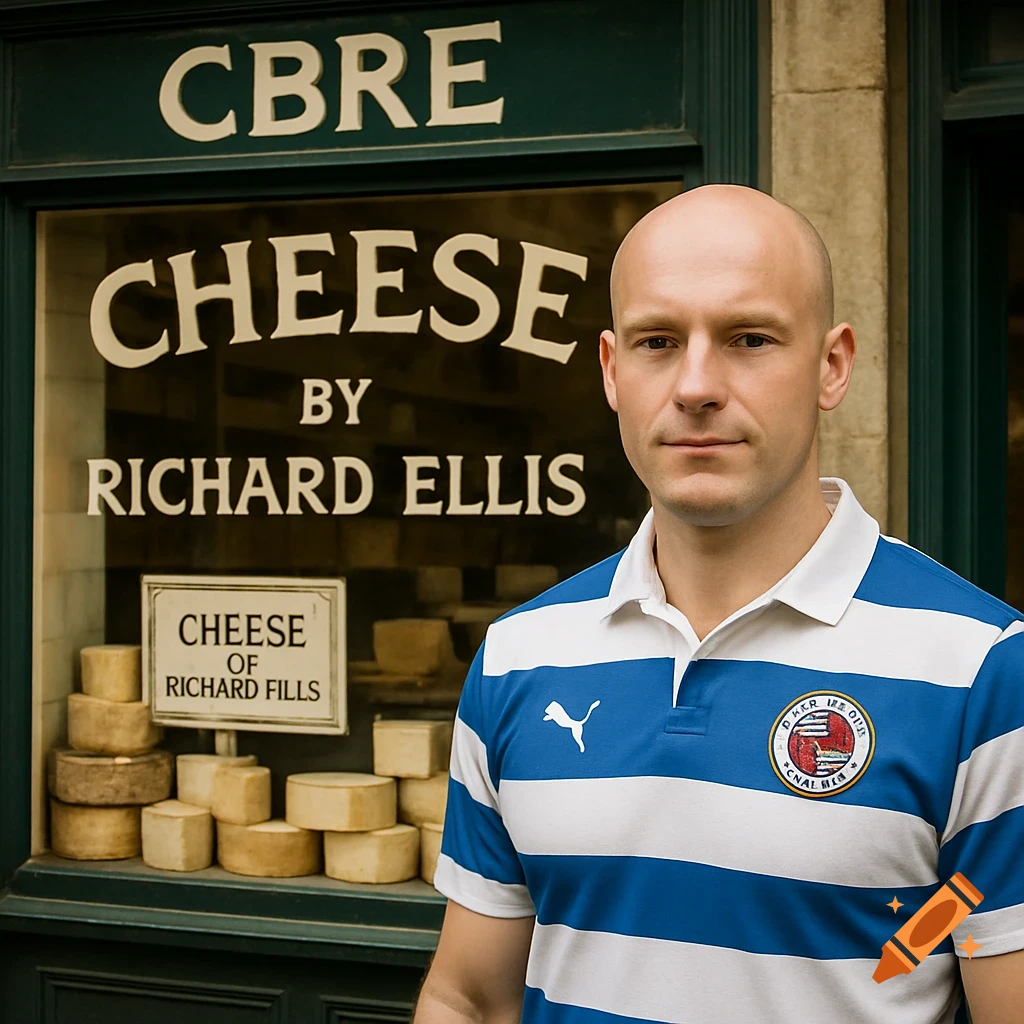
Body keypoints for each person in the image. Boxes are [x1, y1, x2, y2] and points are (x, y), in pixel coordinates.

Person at [411, 185, 1024, 1024]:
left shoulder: (982, 670)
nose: (697, 385)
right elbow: (469, 999)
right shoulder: (521, 656)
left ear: (832, 366)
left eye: (749, 338)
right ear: (611, 370)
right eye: (658, 341)